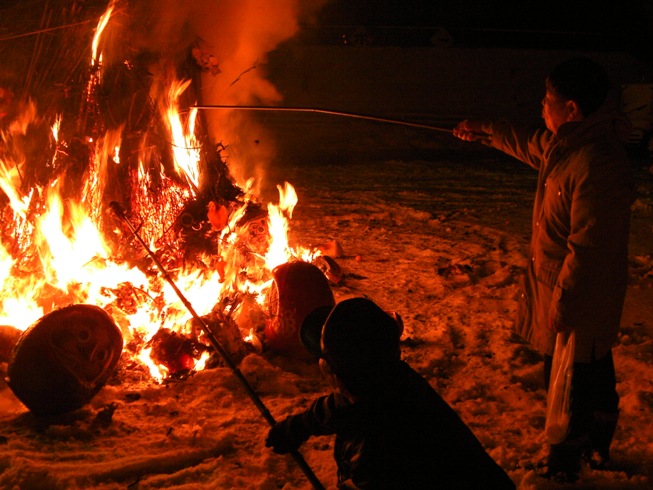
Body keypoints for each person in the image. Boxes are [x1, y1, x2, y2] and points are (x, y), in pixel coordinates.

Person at [453, 56, 634, 482]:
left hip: (579, 290)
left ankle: (564, 465)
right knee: (590, 367)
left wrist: (565, 302)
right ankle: (595, 449)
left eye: (547, 100)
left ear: (571, 109)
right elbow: (533, 145)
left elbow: (589, 246)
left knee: (571, 382)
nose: (540, 107)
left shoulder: (597, 163)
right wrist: (487, 132)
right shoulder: (571, 145)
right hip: (568, 288)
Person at [265, 297, 516, 489]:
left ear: (335, 374)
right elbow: (345, 403)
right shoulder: (388, 379)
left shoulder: (379, 456)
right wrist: (302, 425)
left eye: (326, 362)